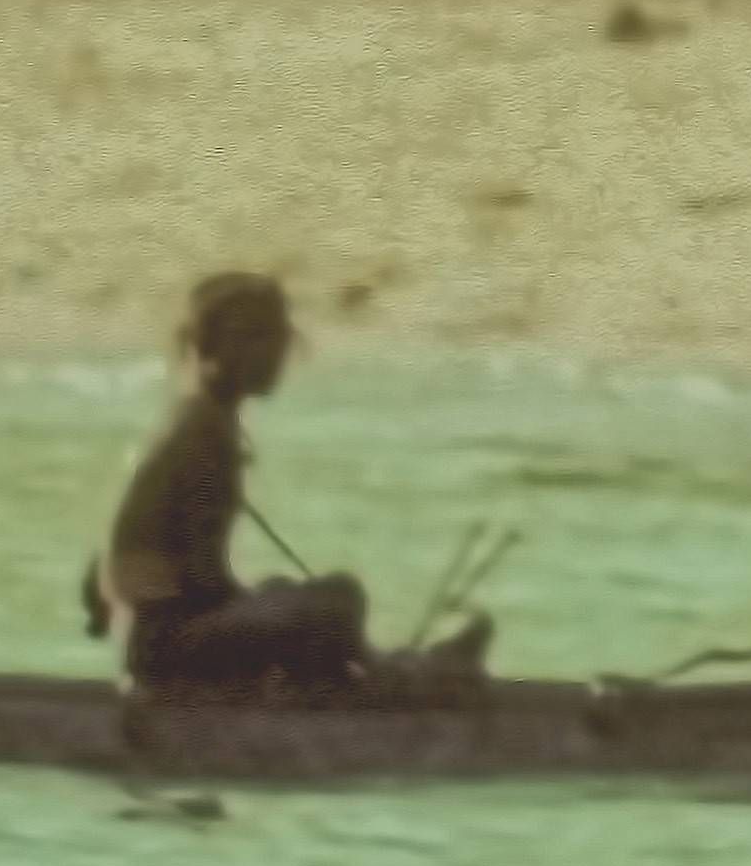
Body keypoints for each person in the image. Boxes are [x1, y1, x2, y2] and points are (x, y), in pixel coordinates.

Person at [79, 273, 482, 696]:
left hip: (156, 643)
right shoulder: (204, 435)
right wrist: (281, 609)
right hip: (165, 654)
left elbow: (127, 576)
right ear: (220, 349)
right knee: (333, 605)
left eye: (276, 340)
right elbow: (201, 581)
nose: (277, 355)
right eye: (260, 340)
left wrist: (270, 600)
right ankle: (392, 682)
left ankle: (375, 676)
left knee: (318, 597)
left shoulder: (195, 419)